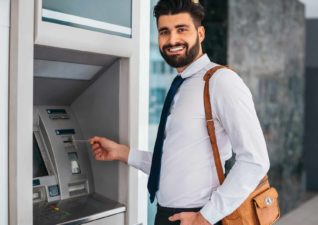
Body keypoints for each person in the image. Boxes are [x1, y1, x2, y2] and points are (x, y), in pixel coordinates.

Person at [90, 0, 270, 224]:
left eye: (181, 29)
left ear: (200, 33)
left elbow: (255, 161)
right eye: (164, 31)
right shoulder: (181, 85)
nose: (172, 40)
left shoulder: (221, 81)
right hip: (168, 215)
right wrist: (124, 153)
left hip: (198, 216)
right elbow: (175, 164)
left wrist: (205, 217)